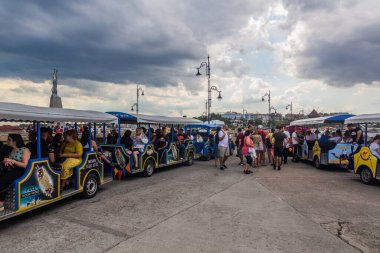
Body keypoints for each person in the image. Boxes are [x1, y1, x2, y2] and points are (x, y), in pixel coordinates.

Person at [0, 134, 31, 211]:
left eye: (9, 140)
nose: (7, 141)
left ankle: (1, 202)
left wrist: (13, 161)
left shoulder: (25, 150)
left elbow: (24, 165)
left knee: (3, 180)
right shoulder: (11, 150)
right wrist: (6, 161)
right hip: (10, 169)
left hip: (20, 170)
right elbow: (8, 160)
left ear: (15, 141)